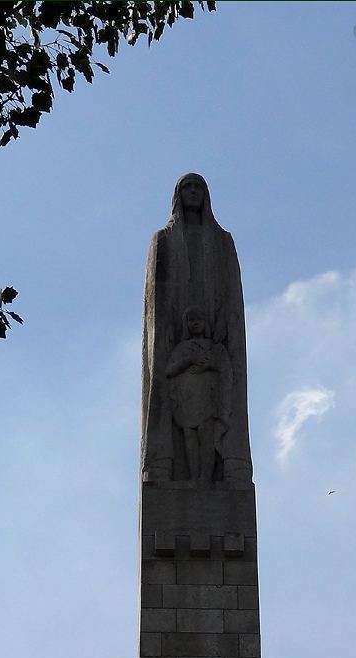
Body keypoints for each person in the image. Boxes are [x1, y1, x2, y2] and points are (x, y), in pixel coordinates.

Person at [141, 173, 253, 484]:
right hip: (175, 338)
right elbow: (156, 296)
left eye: (198, 187)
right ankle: (163, 465)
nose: (193, 192)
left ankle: (227, 466)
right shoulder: (162, 240)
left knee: (215, 414)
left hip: (215, 337)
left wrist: (224, 324)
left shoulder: (221, 240)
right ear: (178, 195)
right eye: (187, 187)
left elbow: (232, 290)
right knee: (174, 410)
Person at [165, 305, 232, 483]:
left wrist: (209, 364)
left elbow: (224, 369)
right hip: (187, 399)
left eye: (198, 319)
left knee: (206, 434)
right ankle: (194, 477)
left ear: (205, 322)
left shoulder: (213, 347)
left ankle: (205, 477)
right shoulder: (182, 348)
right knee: (189, 437)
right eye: (191, 320)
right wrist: (189, 360)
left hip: (206, 398)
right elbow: (169, 370)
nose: (195, 323)